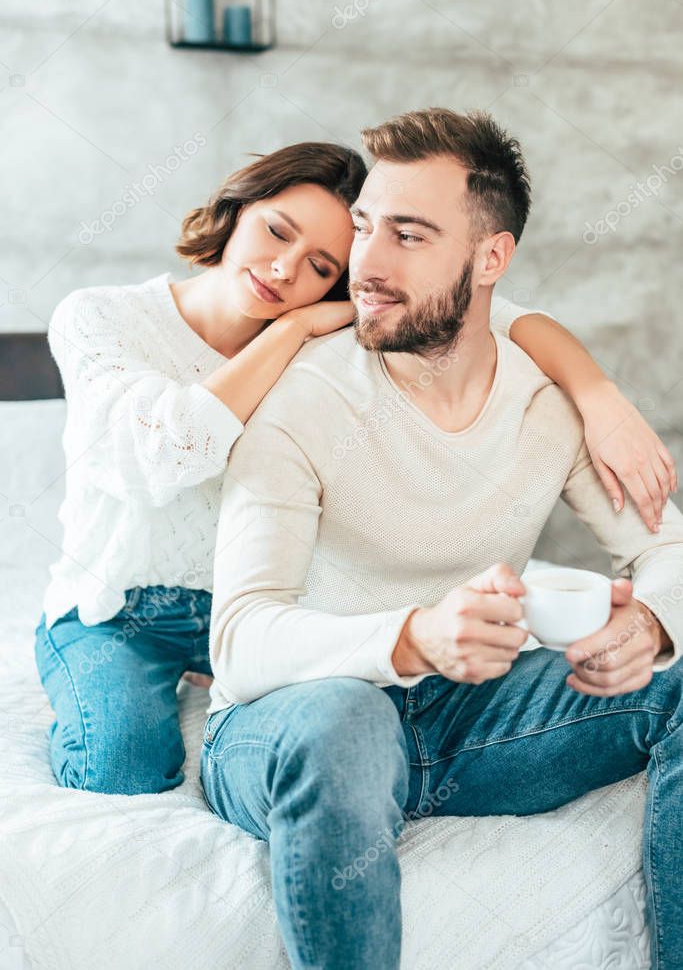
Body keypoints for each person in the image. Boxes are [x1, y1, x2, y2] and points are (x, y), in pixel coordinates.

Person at [34, 139, 673, 797]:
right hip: (114, 608)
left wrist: (594, 391)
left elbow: (482, 310)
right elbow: (170, 450)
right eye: (275, 230)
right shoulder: (102, 317)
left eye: (319, 265)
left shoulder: (332, 332)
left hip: (236, 608)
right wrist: (293, 330)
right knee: (126, 760)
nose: (282, 271)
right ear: (238, 205)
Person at [202, 110, 683, 970]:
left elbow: (668, 552)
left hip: (464, 716)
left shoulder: (546, 405)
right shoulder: (302, 401)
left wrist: (648, 623)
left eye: (408, 234)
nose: (366, 265)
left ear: (490, 258)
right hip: (295, 715)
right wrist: (413, 636)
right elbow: (238, 644)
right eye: (362, 228)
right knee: (344, 716)